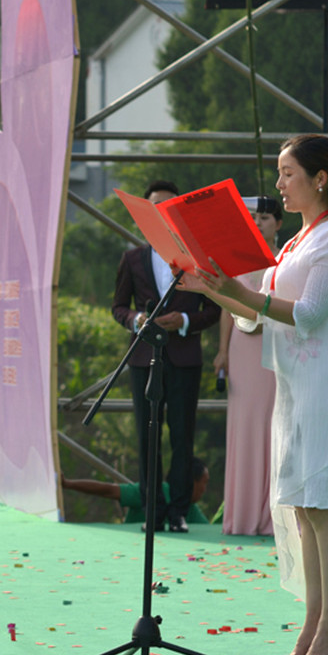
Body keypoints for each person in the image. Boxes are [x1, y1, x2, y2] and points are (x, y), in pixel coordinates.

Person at [183, 134, 328, 655]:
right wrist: (212, 289)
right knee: (304, 508)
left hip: (323, 391)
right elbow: (253, 317)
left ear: (319, 179)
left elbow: (308, 313)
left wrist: (241, 293)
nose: (278, 184)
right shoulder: (294, 243)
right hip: (293, 393)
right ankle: (315, 625)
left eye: (287, 173)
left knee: (327, 507)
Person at [111, 179, 220, 533]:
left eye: (169, 206)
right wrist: (137, 319)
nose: (162, 213)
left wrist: (185, 320)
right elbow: (118, 307)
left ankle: (178, 512)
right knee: (147, 437)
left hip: (185, 358)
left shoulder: (196, 257)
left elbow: (215, 309)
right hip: (144, 358)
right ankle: (152, 511)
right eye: (155, 206)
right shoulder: (131, 258)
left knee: (183, 437)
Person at [214, 196, 283, 536]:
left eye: (266, 217)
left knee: (272, 423)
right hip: (242, 349)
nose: (259, 222)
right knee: (243, 424)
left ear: (279, 223)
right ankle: (241, 515)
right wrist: (222, 352)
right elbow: (226, 308)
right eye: (254, 217)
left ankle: (273, 516)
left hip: (274, 346)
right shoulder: (235, 259)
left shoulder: (286, 259)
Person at [61, 456, 210, 526]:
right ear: (191, 482)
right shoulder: (154, 491)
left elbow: (209, 532)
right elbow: (109, 490)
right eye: (204, 483)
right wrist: (68, 484)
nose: (205, 490)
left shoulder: (190, 507)